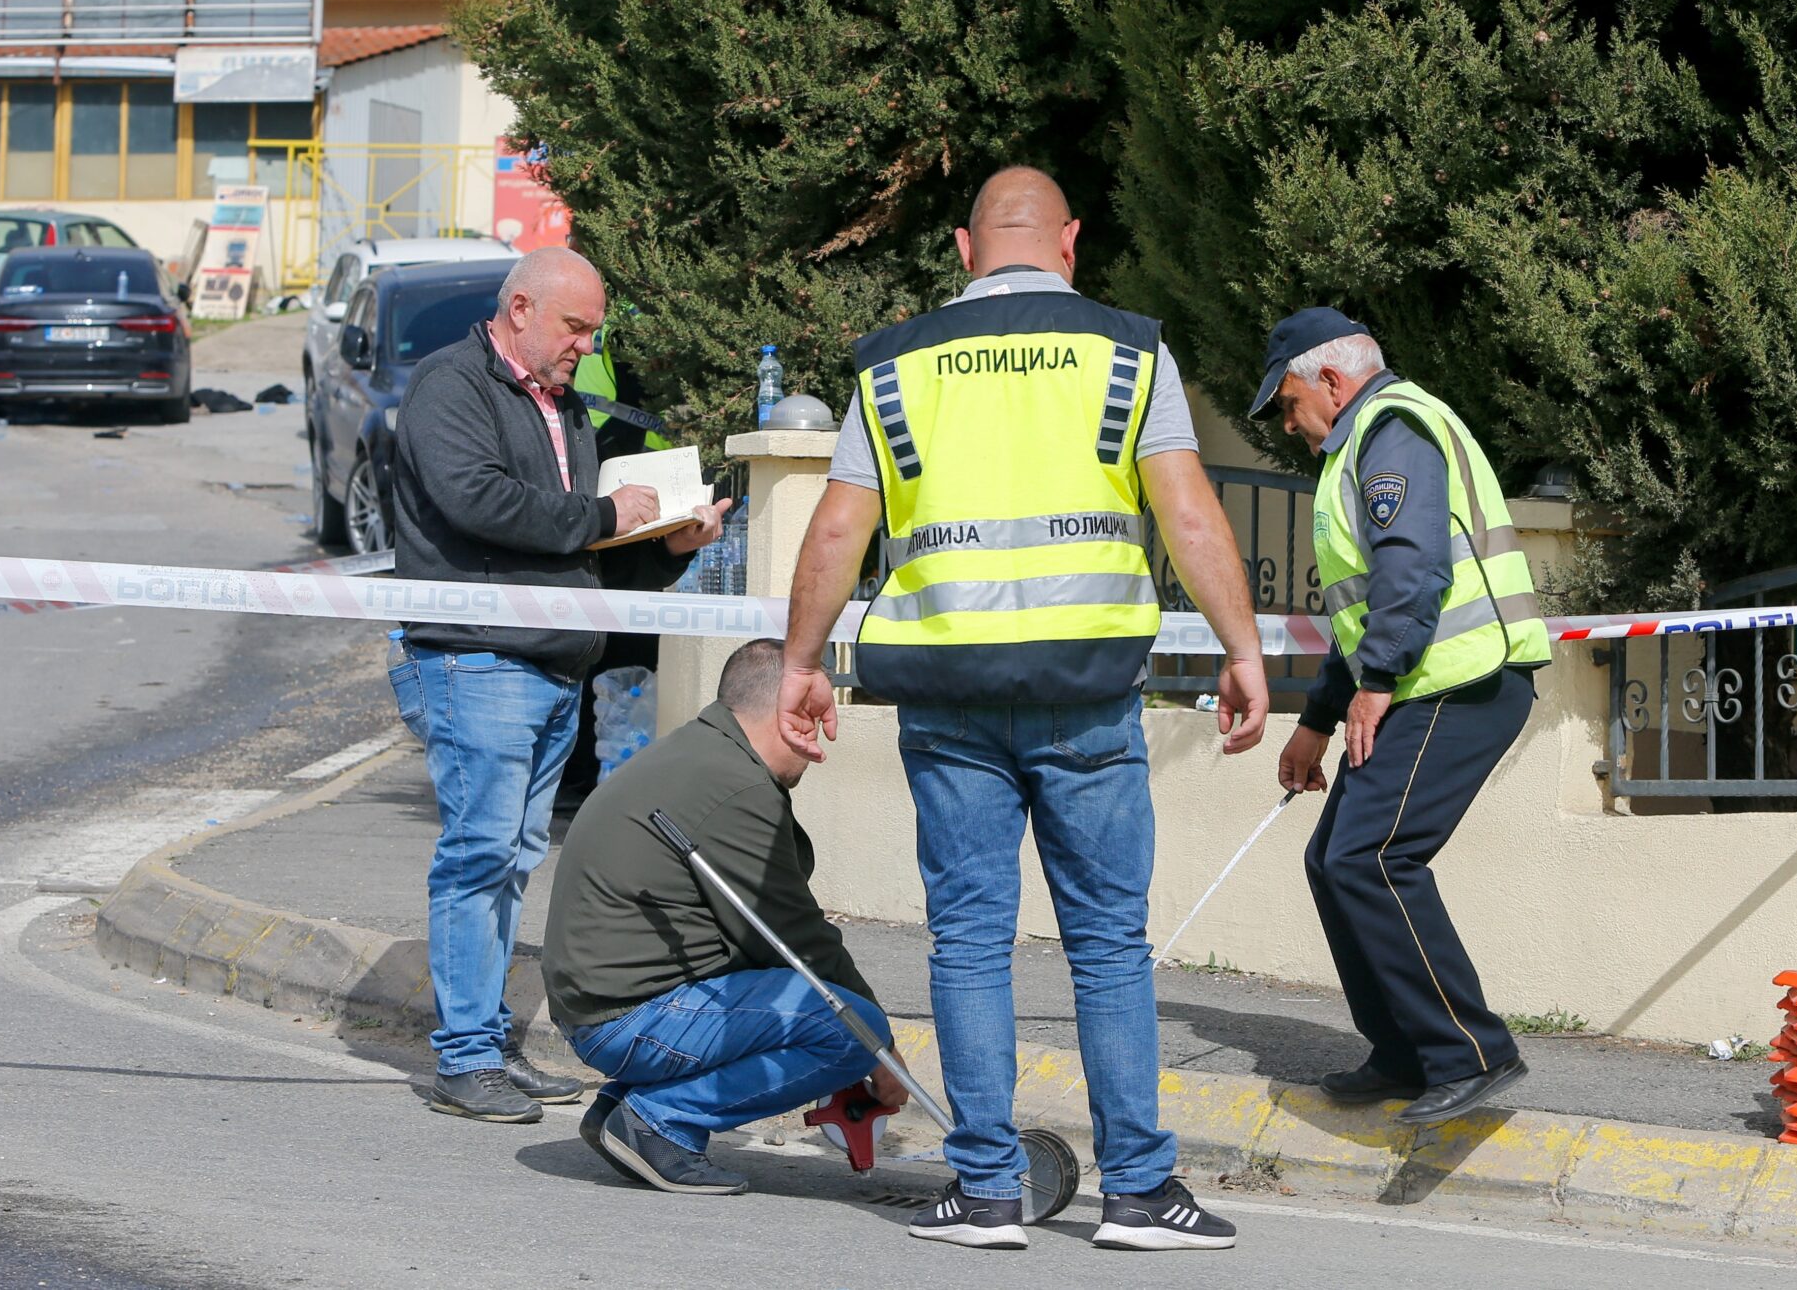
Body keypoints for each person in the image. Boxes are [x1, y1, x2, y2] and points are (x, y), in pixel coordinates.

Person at [781, 167, 1270, 1252]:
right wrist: (1241, 648)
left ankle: (987, 1189)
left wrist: (802, 659)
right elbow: (1187, 511)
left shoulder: (895, 361)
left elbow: (832, 529)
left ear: (962, 247)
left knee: (966, 941)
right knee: (1106, 944)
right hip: (1085, 686)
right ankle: (1138, 1194)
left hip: (947, 691)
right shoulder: (1130, 348)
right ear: (1070, 243)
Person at [388, 245, 731, 1125]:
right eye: (575, 326)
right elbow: (479, 502)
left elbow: (580, 557)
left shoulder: (563, 410)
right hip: (478, 658)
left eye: (593, 330)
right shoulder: (449, 386)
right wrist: (604, 518)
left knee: (507, 861)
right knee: (480, 858)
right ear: (521, 309)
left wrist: (666, 549)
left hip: (544, 663)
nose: (586, 344)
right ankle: (466, 1057)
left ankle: (487, 1043)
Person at [1253, 308, 1551, 1126]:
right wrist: (1317, 719)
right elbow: (1364, 610)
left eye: (1288, 403)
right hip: (1420, 681)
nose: (1289, 425)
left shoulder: (1390, 429)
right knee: (1334, 859)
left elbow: (1411, 571)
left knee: (1372, 858)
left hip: (1462, 681)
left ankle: (1470, 1053)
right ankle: (1403, 1052)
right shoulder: (1359, 446)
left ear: (1333, 381)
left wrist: (1376, 681)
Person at [543, 640, 905, 1194]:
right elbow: (796, 939)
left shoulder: (702, 753)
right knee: (852, 1029)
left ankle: (630, 1104)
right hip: (624, 1017)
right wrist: (882, 1054)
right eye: (814, 718)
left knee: (833, 1015)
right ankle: (661, 1121)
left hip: (602, 1004)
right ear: (787, 715)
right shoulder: (737, 787)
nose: (821, 741)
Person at [554, 313, 671, 822]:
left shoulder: (621, 310)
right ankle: (583, 777)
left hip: (632, 495)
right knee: (602, 658)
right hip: (610, 486)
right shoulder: (615, 321)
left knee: (617, 662)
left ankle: (591, 778)